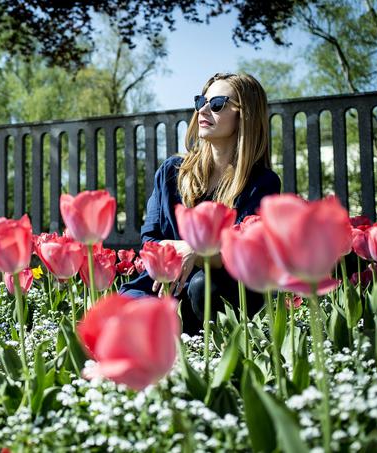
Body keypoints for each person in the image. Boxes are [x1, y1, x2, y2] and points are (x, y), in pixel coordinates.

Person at [120, 72, 281, 335]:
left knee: (202, 286)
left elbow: (244, 250)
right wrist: (187, 249)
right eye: (201, 101)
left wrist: (199, 251)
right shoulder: (172, 172)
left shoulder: (261, 183)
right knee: (125, 307)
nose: (204, 109)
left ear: (245, 115)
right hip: (166, 282)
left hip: (221, 288)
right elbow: (150, 240)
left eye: (217, 103)